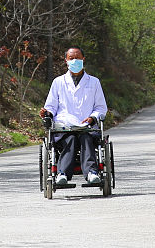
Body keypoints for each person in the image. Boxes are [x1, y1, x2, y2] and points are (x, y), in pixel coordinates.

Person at [39, 47, 107, 186]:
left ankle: (91, 173)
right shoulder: (58, 82)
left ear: (83, 59)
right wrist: (47, 113)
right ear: (66, 61)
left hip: (86, 125)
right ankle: (62, 174)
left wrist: (93, 118)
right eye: (71, 58)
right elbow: (51, 106)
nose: (75, 61)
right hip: (65, 126)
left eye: (78, 58)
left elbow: (101, 107)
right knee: (69, 139)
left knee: (85, 138)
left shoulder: (94, 82)